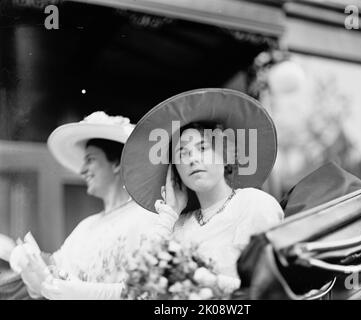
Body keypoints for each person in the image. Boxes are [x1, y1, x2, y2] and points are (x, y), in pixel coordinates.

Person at [121, 88, 284, 290]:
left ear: (225, 155)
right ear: (175, 171)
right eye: (182, 153)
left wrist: (202, 281)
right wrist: (170, 213)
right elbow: (144, 280)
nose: (193, 158)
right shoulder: (179, 225)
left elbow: (270, 287)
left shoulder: (254, 204)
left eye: (203, 148)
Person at [9, 111, 158, 299]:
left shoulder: (146, 218)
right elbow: (55, 271)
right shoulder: (85, 226)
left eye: (90, 160)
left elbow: (146, 288)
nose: (82, 170)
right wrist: (28, 262)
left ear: (116, 164)